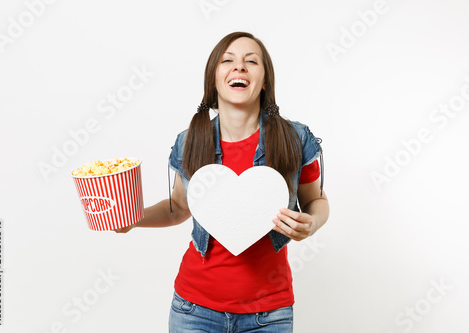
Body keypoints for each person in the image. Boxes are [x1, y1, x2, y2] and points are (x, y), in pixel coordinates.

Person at [114, 31, 329, 332]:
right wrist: (132, 218)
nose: (239, 67)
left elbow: (316, 201)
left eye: (251, 61)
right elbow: (178, 207)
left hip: (269, 314)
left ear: (264, 81)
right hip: (193, 311)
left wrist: (312, 223)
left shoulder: (294, 139)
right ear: (213, 80)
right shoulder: (190, 141)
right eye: (228, 60)